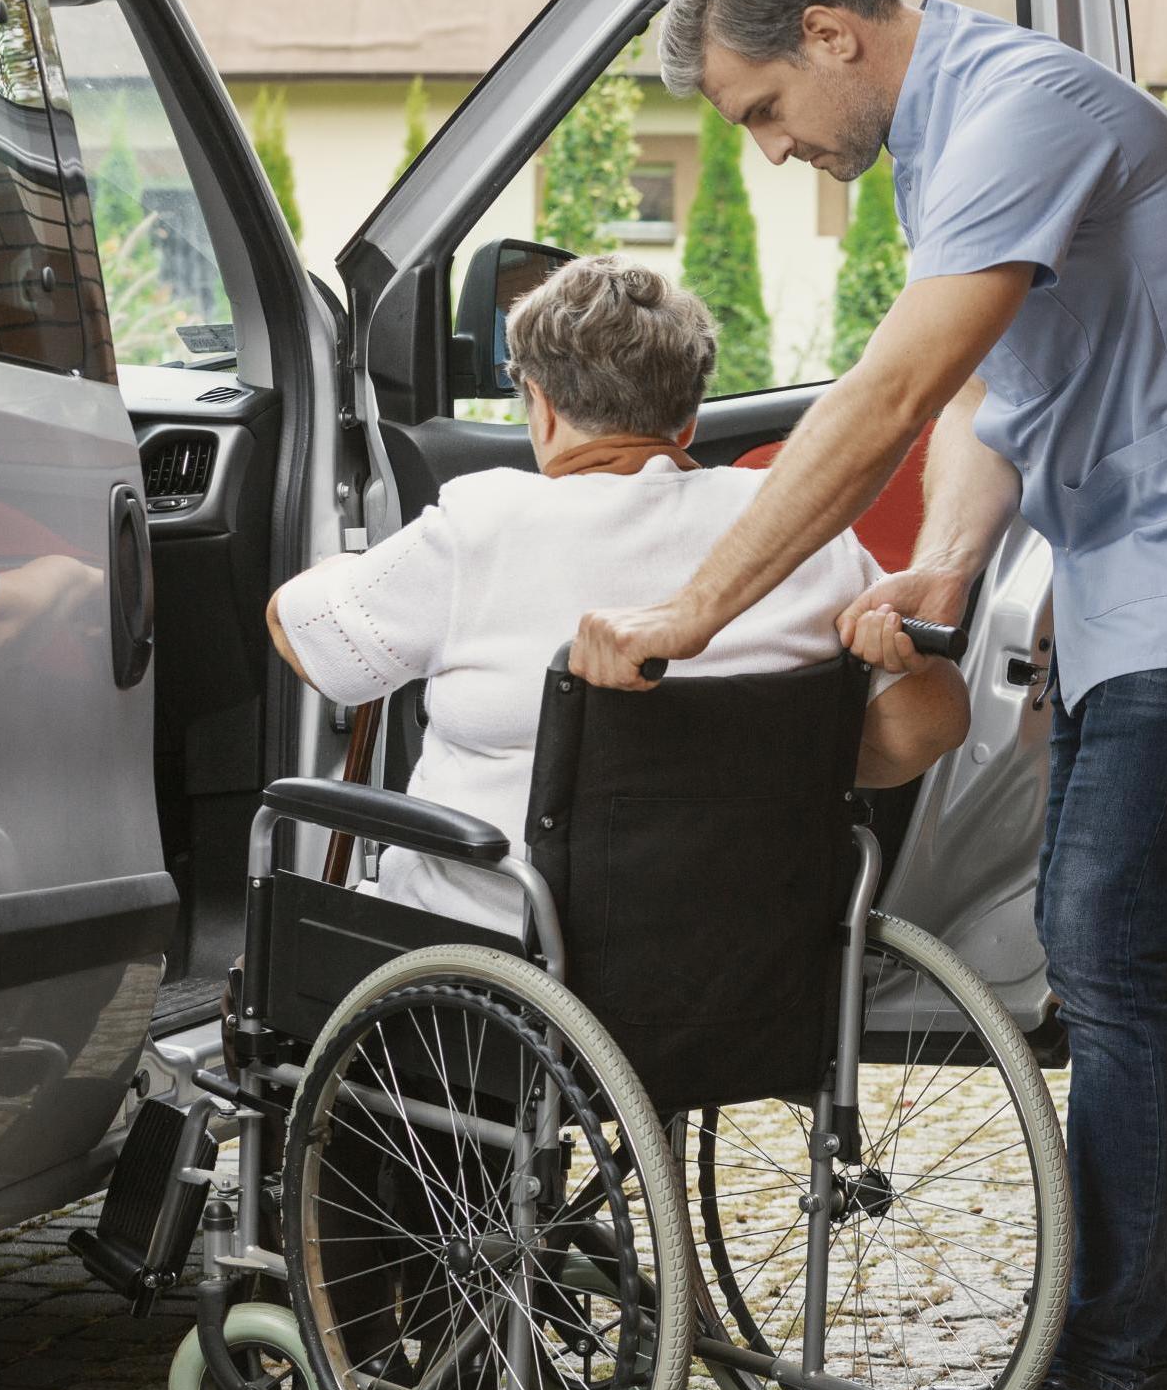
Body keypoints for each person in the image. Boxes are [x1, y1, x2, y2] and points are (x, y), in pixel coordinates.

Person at [564, 0, 1167, 1390]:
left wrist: (694, 610)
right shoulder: (939, 144)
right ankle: (1120, 1354)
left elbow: (885, 391)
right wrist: (946, 559)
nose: (771, 145)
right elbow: (991, 402)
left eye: (761, 107)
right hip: (1134, 573)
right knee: (1104, 948)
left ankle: (1116, 1380)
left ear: (827, 32)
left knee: (1103, 949)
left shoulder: (1016, 110)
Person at [265, 254, 969, 934]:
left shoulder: (480, 527)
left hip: (490, 977)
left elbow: (306, 636)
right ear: (687, 420)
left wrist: (335, 572)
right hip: (740, 969)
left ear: (538, 407)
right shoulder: (801, 532)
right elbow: (916, 733)